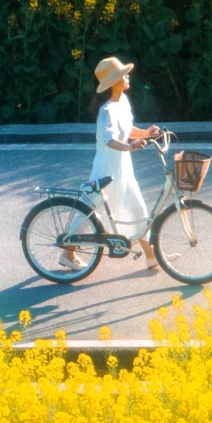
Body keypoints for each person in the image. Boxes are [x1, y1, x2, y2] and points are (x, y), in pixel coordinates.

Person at [62, 56, 161, 271]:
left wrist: (147, 134)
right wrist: (131, 147)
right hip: (107, 166)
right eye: (123, 75)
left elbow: (127, 129)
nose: (127, 77)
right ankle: (68, 252)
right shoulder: (106, 111)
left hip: (123, 166)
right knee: (92, 210)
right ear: (114, 82)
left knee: (137, 207)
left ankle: (152, 255)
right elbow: (110, 141)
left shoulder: (122, 102)